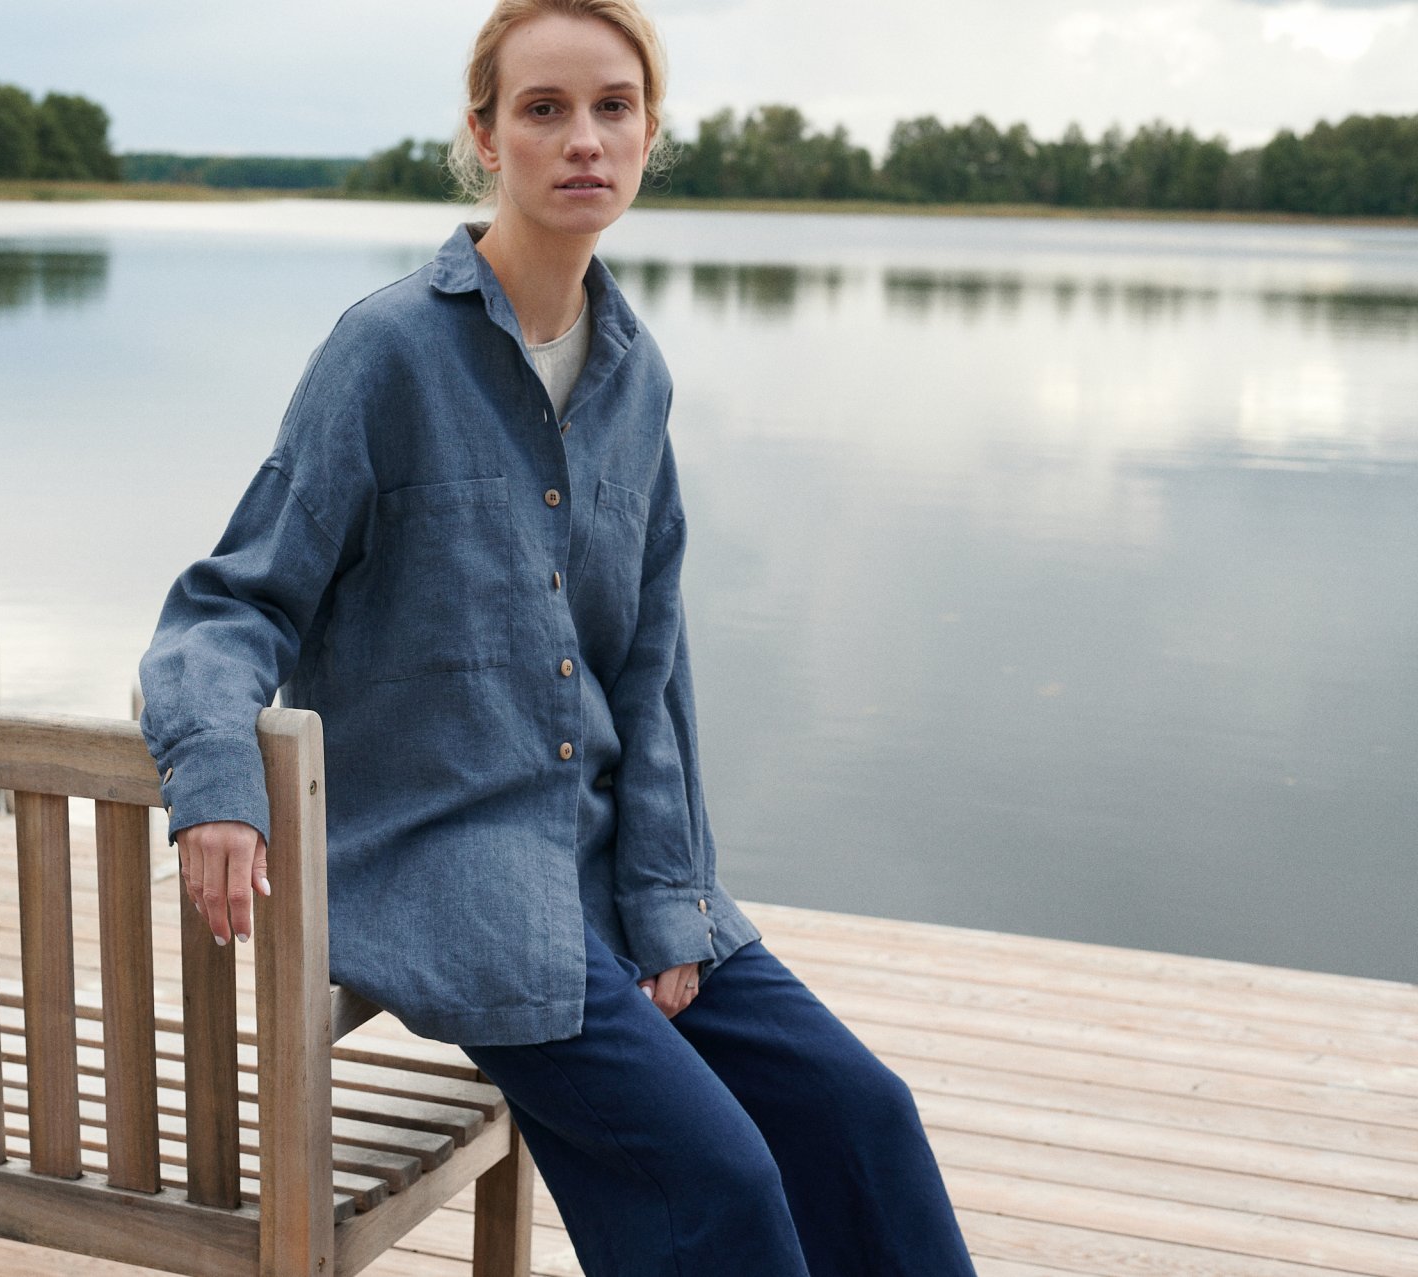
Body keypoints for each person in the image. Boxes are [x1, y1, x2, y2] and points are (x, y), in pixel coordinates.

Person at [136, 1, 980, 1271]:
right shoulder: (386, 354)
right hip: (443, 860)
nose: (583, 139)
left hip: (602, 852)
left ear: (649, 134)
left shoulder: (639, 373)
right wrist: (215, 783)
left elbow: (650, 661)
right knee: (718, 1175)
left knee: (864, 1117)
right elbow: (233, 601)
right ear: (484, 137)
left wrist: (669, 899)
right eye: (543, 109)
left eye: (612, 108)